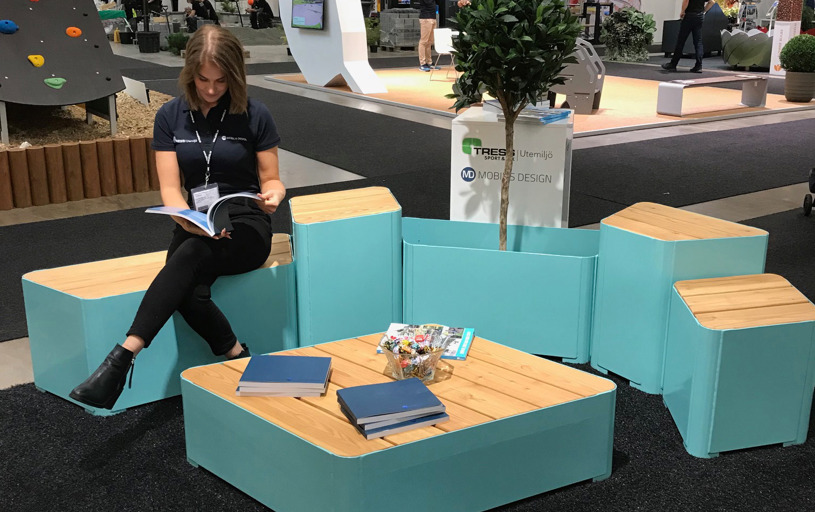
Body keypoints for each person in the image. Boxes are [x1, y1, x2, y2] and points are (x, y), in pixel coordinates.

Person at [69, 25, 286, 411]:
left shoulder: (256, 114)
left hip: (247, 222)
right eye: (203, 79)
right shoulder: (171, 116)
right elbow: (170, 188)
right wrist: (184, 219)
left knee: (185, 261)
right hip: (195, 218)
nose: (211, 89)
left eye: (221, 80)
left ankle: (122, 357)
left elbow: (271, 179)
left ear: (234, 76)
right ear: (190, 73)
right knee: (187, 284)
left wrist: (275, 194)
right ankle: (237, 356)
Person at [662, 0, 716, 73]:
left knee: (681, 41)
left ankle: (673, 64)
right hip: (699, 16)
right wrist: (703, 11)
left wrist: (682, 11)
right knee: (698, 42)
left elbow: (686, 1)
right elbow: (712, 2)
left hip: (689, 15)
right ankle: (698, 65)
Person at [418, 0, 439, 71]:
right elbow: (428, 2)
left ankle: (429, 62)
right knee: (424, 41)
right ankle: (422, 63)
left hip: (432, 17)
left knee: (429, 41)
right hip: (426, 18)